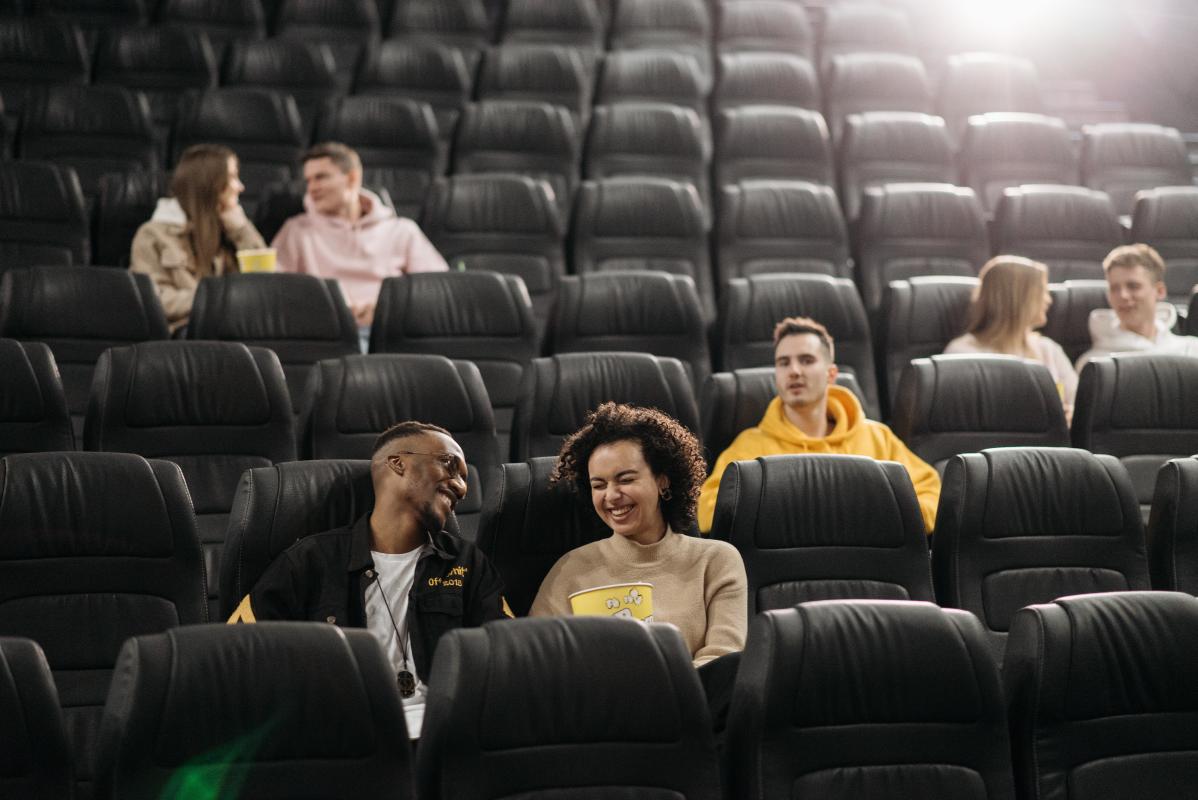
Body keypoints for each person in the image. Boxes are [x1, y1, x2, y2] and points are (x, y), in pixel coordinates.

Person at [228, 421, 510, 739]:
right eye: (448, 464)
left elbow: (507, 656)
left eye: (464, 477)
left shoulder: (466, 563)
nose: (461, 487)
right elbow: (238, 657)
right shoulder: (309, 561)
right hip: (345, 740)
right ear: (397, 463)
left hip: (446, 736)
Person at [529, 402, 747, 668]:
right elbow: (538, 663)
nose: (611, 496)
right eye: (599, 485)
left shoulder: (716, 560)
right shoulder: (569, 569)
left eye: (626, 479)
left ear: (662, 480)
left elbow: (723, 659)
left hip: (693, 705)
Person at [699, 316, 940, 534]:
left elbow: (932, 494)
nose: (794, 371)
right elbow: (708, 508)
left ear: (831, 374)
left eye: (806, 360)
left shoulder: (877, 438)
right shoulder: (750, 446)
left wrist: (878, 516)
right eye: (784, 363)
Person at [272, 142, 449, 335]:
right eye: (308, 181)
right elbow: (275, 291)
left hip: (390, 331)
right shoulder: (296, 230)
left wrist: (385, 310)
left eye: (321, 177)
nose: (312, 188)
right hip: (325, 333)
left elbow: (438, 289)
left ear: (352, 179)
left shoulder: (402, 231)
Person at [130, 143, 265, 332]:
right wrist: (217, 299)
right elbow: (155, 299)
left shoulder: (232, 230)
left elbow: (265, 285)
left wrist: (241, 229)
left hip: (234, 329)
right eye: (233, 177)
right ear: (211, 184)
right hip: (185, 337)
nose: (240, 187)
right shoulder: (152, 235)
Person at [944, 255, 1078, 417]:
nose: (1048, 300)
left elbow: (1078, 403)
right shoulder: (962, 354)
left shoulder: (1049, 349)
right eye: (1042, 292)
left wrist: (1070, 415)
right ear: (1018, 298)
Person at [1076, 243, 1198, 369]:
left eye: (1133, 286)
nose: (1123, 295)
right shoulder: (1093, 365)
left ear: (1159, 291)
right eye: (1114, 288)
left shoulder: (1192, 350)